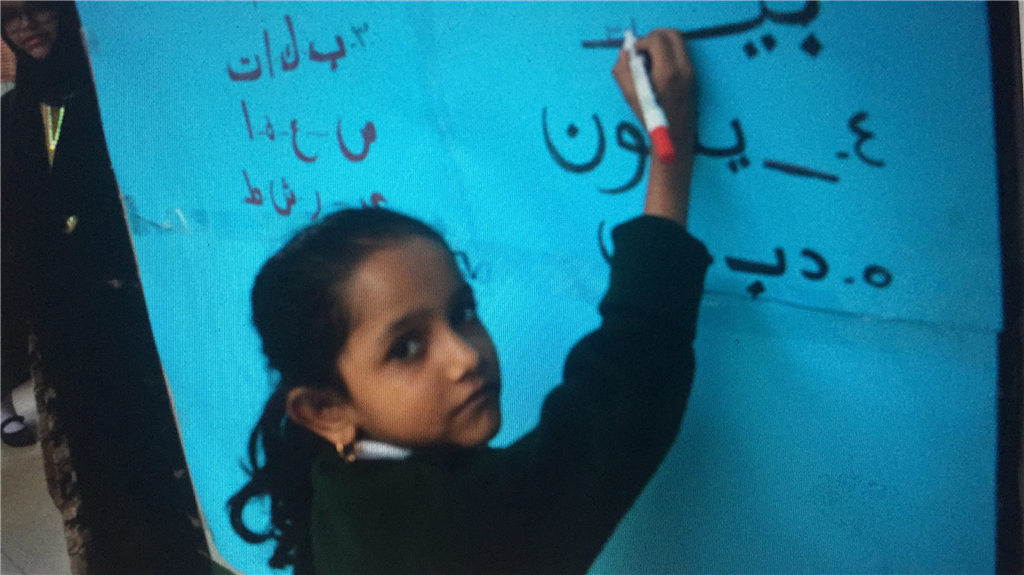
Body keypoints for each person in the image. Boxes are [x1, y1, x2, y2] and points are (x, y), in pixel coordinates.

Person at [229, 28, 709, 575]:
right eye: (407, 348)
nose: (466, 356)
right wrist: (670, 148)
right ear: (325, 411)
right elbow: (626, 399)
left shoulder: (345, 492)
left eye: (463, 313)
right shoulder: (438, 535)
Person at [0, 0, 212, 572]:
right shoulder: (19, 112)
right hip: (67, 327)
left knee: (167, 462)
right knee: (105, 477)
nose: (26, 27)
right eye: (9, 16)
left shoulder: (116, 92)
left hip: (142, 315)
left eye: (38, 8)